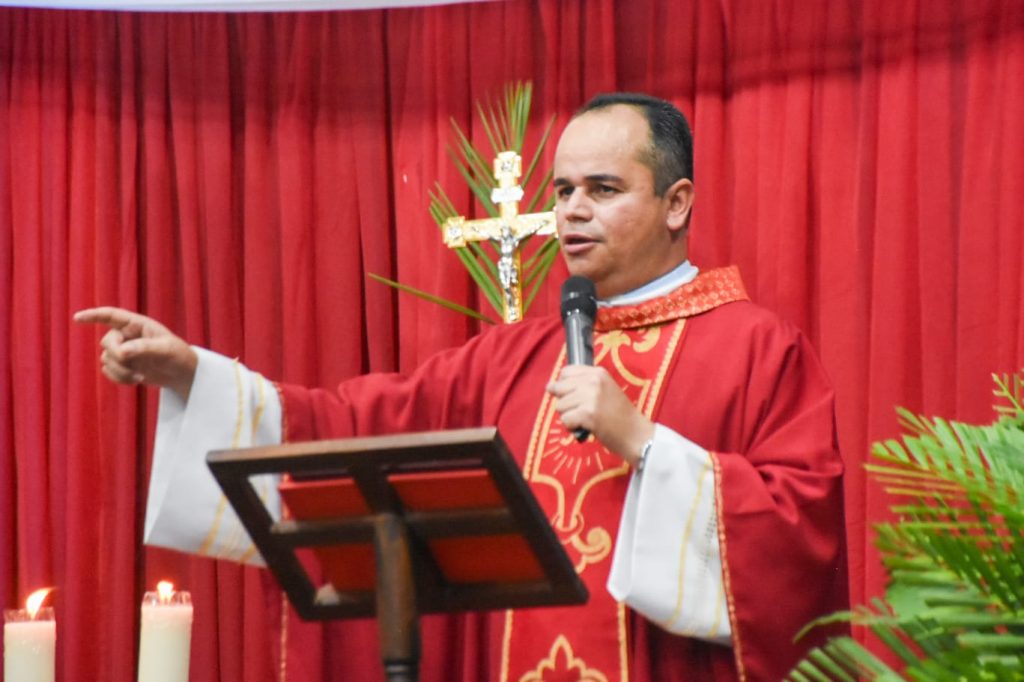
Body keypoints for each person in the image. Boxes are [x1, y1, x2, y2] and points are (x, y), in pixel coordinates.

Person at [76, 93, 847, 681]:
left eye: (603, 189)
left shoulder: (757, 348)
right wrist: (193, 374)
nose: (572, 211)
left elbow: (798, 540)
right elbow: (350, 426)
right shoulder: (511, 358)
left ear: (676, 204)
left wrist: (644, 442)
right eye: (564, 190)